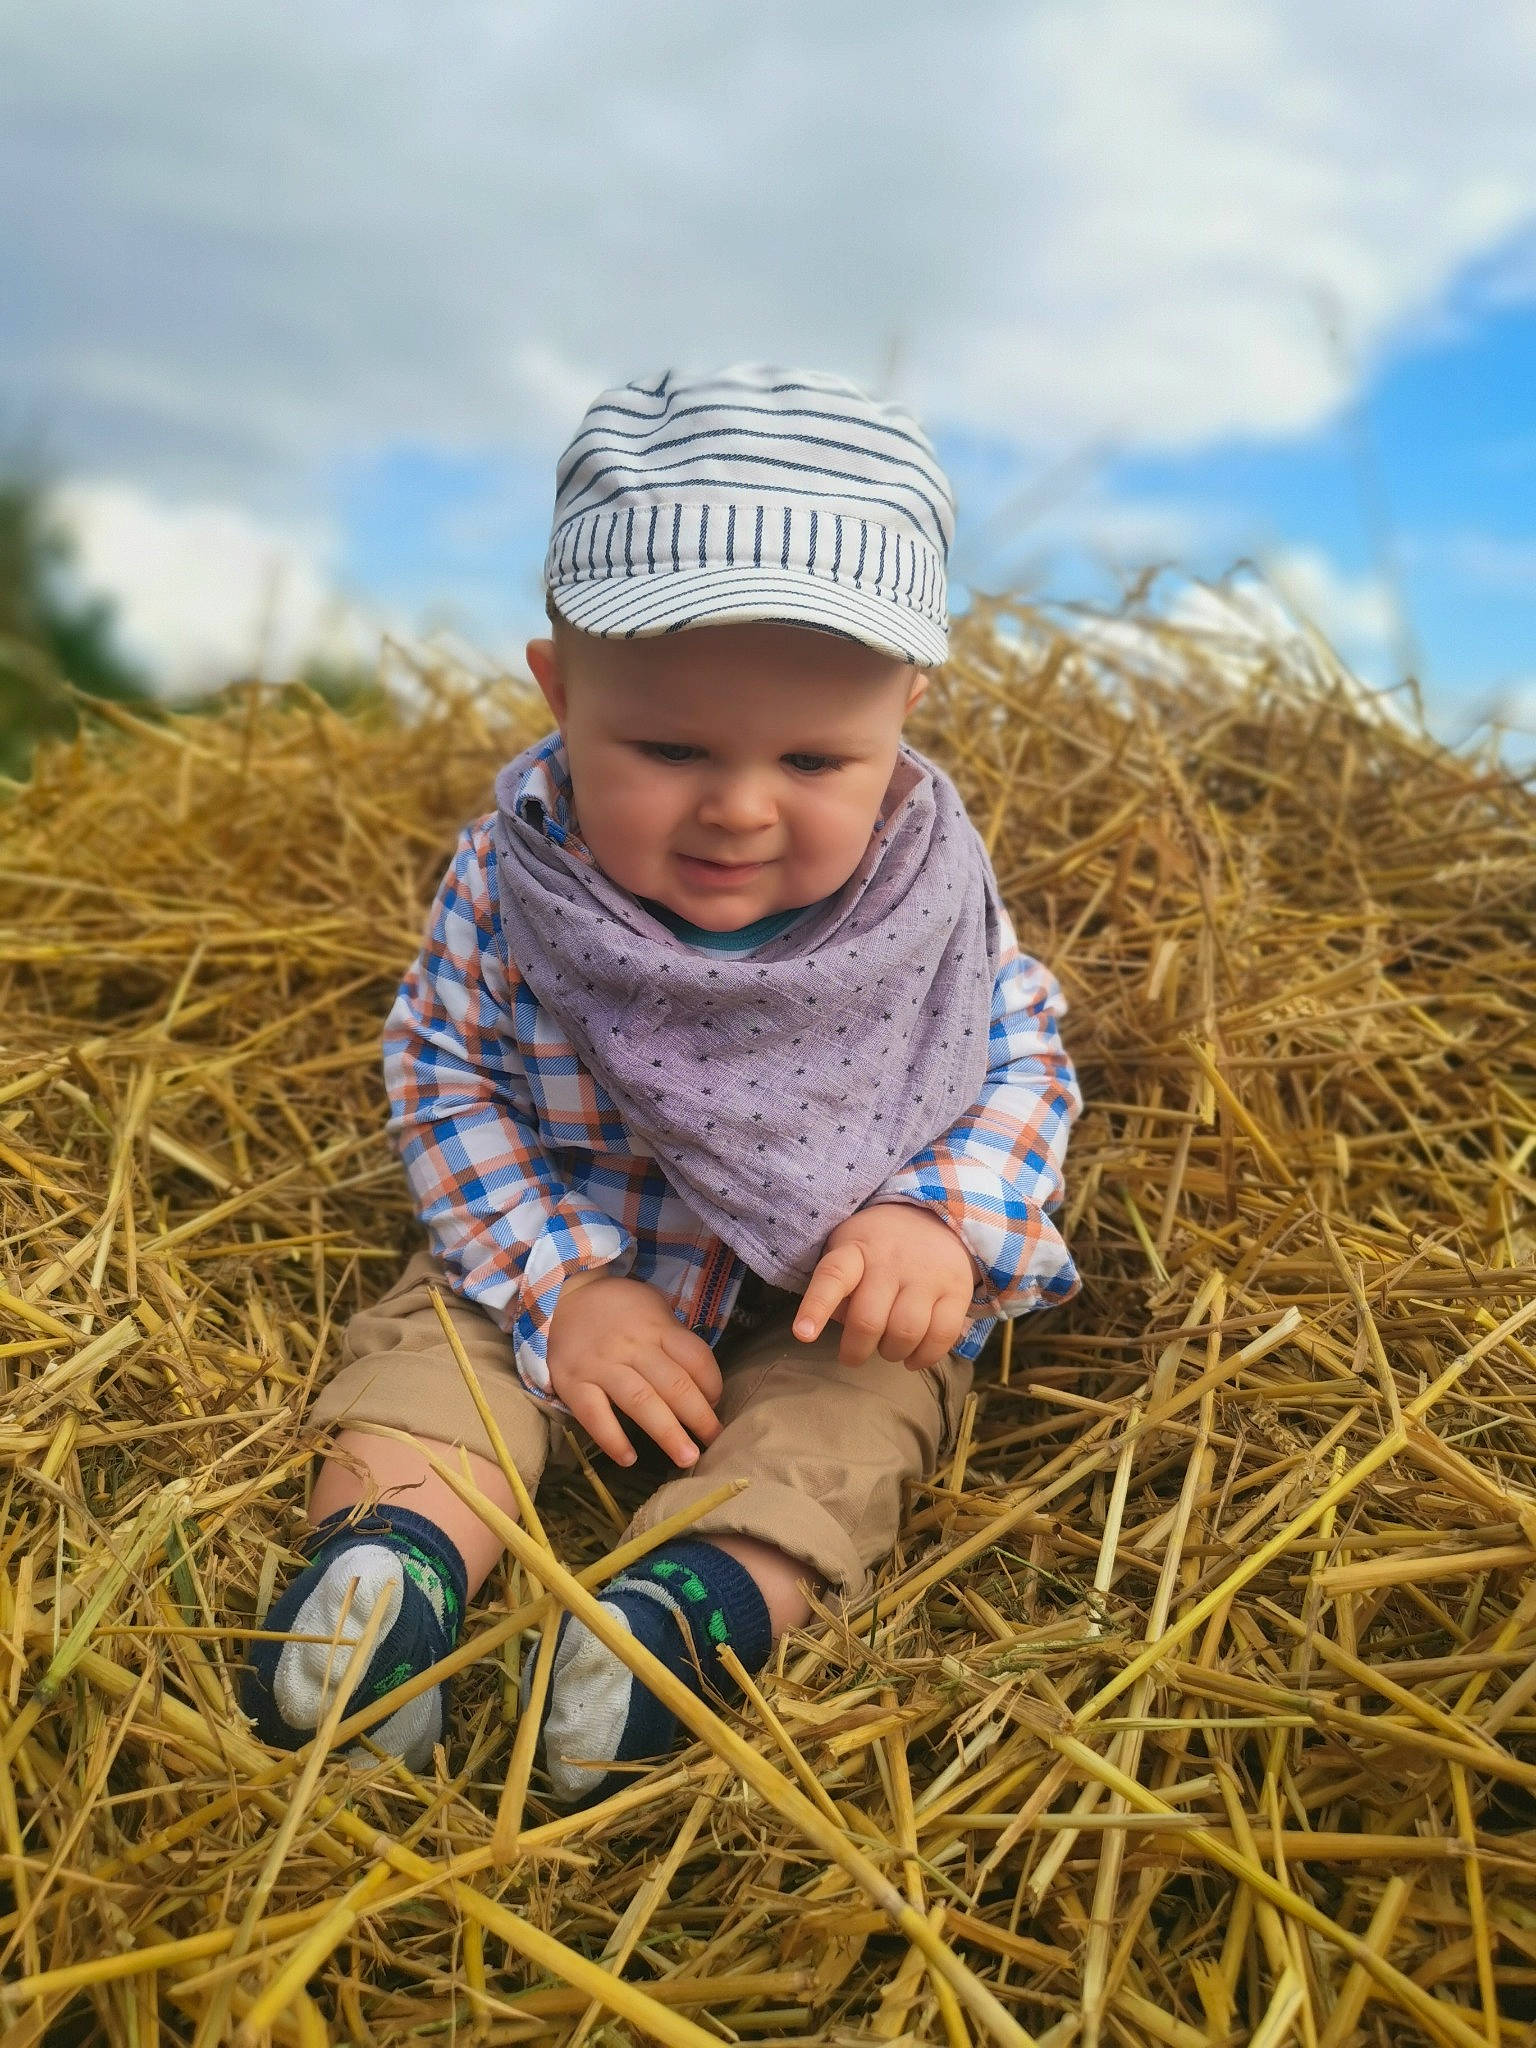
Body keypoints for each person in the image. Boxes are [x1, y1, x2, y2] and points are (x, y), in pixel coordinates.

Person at [240, 365, 1081, 1803]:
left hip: (817, 1288)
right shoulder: (516, 881)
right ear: (561, 694)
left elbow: (1018, 1054)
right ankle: (392, 1570)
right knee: (431, 1351)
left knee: (859, 1413)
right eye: (670, 748)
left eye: (818, 756)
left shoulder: (926, 898)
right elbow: (444, 1080)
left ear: (911, 710)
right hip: (563, 1252)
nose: (743, 806)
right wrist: (564, 1288)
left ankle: (697, 1613)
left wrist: (939, 1219)